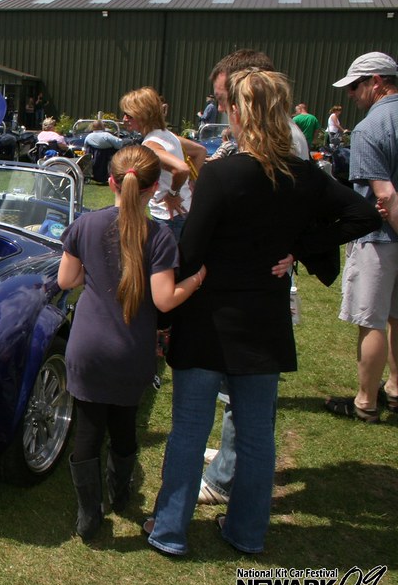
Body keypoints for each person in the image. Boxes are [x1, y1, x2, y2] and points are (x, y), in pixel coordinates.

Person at [144, 68, 379, 556]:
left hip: (207, 316)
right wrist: (300, 245)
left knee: (190, 430)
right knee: (256, 436)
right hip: (263, 320)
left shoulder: (225, 174)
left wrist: (169, 295)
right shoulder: (305, 173)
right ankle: (247, 531)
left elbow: (191, 249)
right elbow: (363, 213)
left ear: (239, 111)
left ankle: (169, 530)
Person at [57, 145, 205, 540]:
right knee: (123, 427)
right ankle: (120, 495)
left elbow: (66, 280)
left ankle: (89, 518)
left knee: (87, 430)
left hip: (86, 346)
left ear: (110, 182)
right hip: (131, 351)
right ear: (154, 188)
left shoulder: (85, 225)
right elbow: (164, 300)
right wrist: (196, 280)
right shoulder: (158, 237)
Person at [198, 49, 316, 508]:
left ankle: (230, 477)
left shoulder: (282, 142)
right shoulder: (262, 138)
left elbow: (306, 207)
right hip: (252, 282)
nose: (224, 108)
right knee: (243, 385)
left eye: (227, 98)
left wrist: (297, 249)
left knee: (251, 387)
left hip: (257, 287)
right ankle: (233, 461)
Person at [328, 51, 398, 423]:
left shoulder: (372, 128)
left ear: (376, 82)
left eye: (355, 86)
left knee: (371, 319)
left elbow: (382, 194)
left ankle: (365, 402)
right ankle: (395, 387)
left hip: (380, 237)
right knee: (397, 317)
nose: (352, 94)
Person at [120, 87, 193, 241]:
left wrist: (173, 194)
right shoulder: (168, 135)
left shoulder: (151, 144)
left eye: (129, 115)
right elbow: (200, 151)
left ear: (143, 115)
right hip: (183, 210)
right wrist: (191, 184)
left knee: (165, 262)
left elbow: (182, 168)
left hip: (168, 215)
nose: (124, 119)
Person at [84, 120, 123, 184]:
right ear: (102, 126)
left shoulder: (88, 137)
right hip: (107, 157)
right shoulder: (106, 135)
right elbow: (118, 145)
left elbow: (85, 147)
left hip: (94, 159)